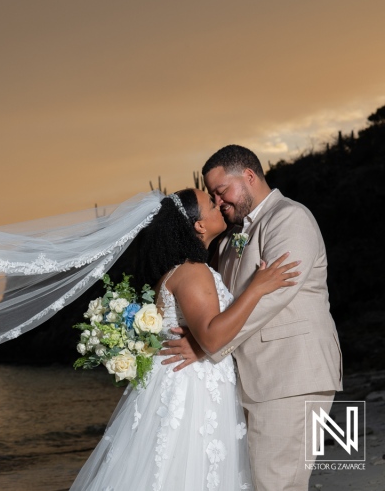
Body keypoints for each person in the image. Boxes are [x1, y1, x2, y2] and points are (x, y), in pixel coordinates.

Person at [71, 188, 299, 491]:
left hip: (181, 378)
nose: (219, 204)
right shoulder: (193, 272)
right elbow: (212, 336)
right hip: (192, 387)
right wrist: (256, 288)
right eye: (210, 203)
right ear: (198, 225)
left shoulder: (179, 271)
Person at [199, 145, 341, 491]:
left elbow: (272, 297)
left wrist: (209, 343)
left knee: (276, 484)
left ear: (249, 176)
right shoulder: (236, 235)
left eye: (222, 191)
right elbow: (228, 301)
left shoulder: (289, 218)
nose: (219, 202)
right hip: (256, 379)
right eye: (214, 196)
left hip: (291, 376)